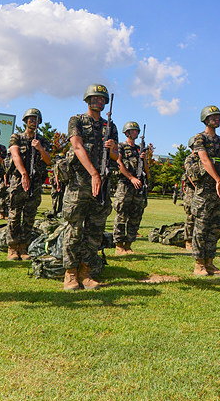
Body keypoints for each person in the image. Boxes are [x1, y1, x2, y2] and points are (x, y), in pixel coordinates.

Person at [61, 84, 118, 291]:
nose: (99, 101)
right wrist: (93, 173)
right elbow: (76, 146)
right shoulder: (76, 120)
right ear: (87, 100)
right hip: (80, 183)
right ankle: (70, 274)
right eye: (95, 98)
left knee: (95, 231)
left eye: (102, 99)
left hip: (102, 184)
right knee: (74, 229)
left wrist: (113, 150)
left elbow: (116, 156)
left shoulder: (109, 126)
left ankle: (86, 272)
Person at [191, 105, 220, 276]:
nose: (216, 119)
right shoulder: (199, 138)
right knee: (201, 227)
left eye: (218, 117)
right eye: (213, 117)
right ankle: (199, 264)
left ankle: (209, 262)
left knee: (215, 228)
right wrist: (217, 180)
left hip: (219, 191)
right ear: (206, 119)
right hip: (206, 189)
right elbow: (204, 160)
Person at [6, 108, 51, 260]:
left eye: (36, 119)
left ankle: (23, 246)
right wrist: (24, 173)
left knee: (29, 215)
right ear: (25, 121)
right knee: (14, 214)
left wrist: (40, 148)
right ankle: (12, 247)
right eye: (31, 119)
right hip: (19, 180)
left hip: (36, 182)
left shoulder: (43, 141)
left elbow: (48, 160)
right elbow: (15, 154)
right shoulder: (16, 137)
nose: (33, 121)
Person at [112, 121, 148, 254]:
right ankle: (119, 245)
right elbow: (118, 162)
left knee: (136, 216)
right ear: (127, 132)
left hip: (138, 187)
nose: (136, 133)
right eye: (133, 131)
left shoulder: (140, 149)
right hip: (125, 185)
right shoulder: (121, 146)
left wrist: (144, 160)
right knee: (122, 214)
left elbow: (147, 171)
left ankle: (128, 244)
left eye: (137, 131)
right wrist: (131, 178)